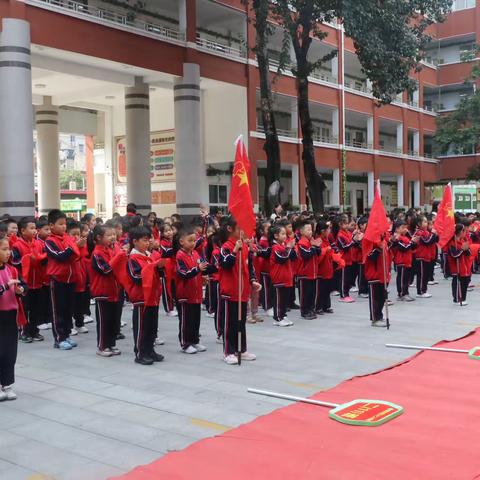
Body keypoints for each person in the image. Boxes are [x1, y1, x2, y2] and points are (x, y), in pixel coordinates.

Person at [112, 226, 163, 365]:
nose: (148, 243)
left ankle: (150, 349)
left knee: (152, 326)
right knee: (142, 327)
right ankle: (140, 352)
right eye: (144, 240)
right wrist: (152, 269)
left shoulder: (149, 256)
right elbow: (136, 277)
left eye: (149, 240)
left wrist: (160, 268)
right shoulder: (132, 259)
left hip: (152, 296)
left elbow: (157, 275)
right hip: (141, 298)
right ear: (135, 241)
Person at [218, 217, 261, 365]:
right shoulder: (226, 247)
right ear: (230, 229)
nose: (243, 232)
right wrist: (235, 251)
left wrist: (253, 281)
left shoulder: (245, 247)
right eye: (239, 228)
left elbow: (249, 268)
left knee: (241, 323)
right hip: (229, 292)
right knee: (229, 324)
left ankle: (241, 349)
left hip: (242, 292)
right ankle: (228, 352)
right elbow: (224, 264)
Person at [175, 227, 214, 354]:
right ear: (181, 241)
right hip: (185, 294)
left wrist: (213, 269)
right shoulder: (179, 256)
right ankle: (185, 344)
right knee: (186, 320)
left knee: (195, 319)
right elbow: (183, 273)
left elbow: (203, 266)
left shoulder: (195, 254)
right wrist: (198, 269)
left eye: (194, 240)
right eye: (190, 240)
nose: (193, 243)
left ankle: (194, 341)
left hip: (196, 293)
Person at [45, 209, 80, 350]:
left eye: (65, 224)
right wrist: (73, 248)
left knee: (67, 310)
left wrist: (76, 247)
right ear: (51, 225)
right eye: (60, 224)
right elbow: (59, 256)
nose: (64, 227)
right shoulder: (49, 241)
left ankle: (66, 335)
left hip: (70, 279)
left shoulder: (68, 238)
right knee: (58, 310)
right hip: (57, 279)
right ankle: (59, 339)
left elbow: (78, 256)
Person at [11, 216, 46, 343]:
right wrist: (27, 258)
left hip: (38, 282)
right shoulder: (16, 245)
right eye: (31, 228)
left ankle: (34, 330)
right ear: (22, 231)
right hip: (24, 283)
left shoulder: (39, 244)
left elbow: (44, 258)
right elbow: (14, 262)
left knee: (36, 308)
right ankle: (24, 331)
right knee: (24, 308)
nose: (34, 231)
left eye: (35, 228)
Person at [0, 237, 26, 401]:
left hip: (11, 315)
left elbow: (23, 286)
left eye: (8, 249)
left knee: (10, 351)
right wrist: (5, 287)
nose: (8, 252)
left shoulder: (12, 269)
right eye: (3, 249)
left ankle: (7, 384)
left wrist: (20, 289)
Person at [90, 224, 121, 357]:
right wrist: (118, 258)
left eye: (113, 234)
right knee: (104, 320)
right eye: (109, 235)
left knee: (114, 319)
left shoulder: (112, 250)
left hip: (114, 290)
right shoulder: (97, 253)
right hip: (102, 292)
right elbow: (106, 270)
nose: (113, 237)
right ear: (98, 237)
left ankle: (111, 344)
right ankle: (103, 346)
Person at [269, 224, 296, 327]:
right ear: (276, 236)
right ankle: (277, 318)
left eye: (285, 233)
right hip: (278, 278)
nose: (285, 236)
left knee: (283, 299)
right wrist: (289, 248)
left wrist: (291, 248)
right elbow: (282, 258)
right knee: (278, 299)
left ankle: (283, 315)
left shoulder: (283, 245)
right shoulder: (275, 247)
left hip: (285, 277)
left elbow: (293, 257)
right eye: (282, 234)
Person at [67, 220, 90, 335]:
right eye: (73, 234)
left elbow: (83, 256)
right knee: (70, 304)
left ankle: (80, 323)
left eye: (78, 234)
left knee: (80, 303)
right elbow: (73, 257)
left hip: (81, 277)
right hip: (71, 278)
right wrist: (77, 246)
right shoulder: (67, 244)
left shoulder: (82, 244)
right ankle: (69, 326)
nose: (76, 237)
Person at [296, 221, 320, 320]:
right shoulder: (302, 243)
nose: (311, 232)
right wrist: (314, 247)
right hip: (304, 273)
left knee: (312, 293)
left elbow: (317, 252)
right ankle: (304, 311)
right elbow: (306, 254)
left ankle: (311, 309)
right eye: (308, 229)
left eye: (311, 229)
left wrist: (317, 247)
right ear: (301, 231)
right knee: (304, 294)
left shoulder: (311, 241)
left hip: (313, 273)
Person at [364, 238, 391, 327]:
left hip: (383, 274)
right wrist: (378, 249)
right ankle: (375, 318)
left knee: (382, 298)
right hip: (374, 275)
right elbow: (369, 257)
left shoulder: (384, 241)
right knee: (375, 298)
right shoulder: (368, 241)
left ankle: (379, 315)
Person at [391, 220, 415, 302]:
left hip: (407, 261)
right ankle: (401, 293)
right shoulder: (397, 238)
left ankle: (406, 292)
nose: (405, 229)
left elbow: (411, 245)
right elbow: (404, 248)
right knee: (401, 278)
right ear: (397, 229)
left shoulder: (405, 237)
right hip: (401, 261)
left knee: (406, 278)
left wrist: (410, 239)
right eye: (403, 228)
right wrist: (412, 242)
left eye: (406, 227)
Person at [447, 223, 471, 306]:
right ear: (460, 232)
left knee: (465, 282)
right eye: (464, 231)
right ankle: (457, 299)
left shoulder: (463, 241)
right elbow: (454, 255)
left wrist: (467, 249)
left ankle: (463, 298)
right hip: (456, 268)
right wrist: (462, 249)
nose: (466, 233)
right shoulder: (452, 243)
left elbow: (468, 253)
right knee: (457, 283)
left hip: (464, 267)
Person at [413, 215, 435, 298]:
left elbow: (432, 240)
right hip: (421, 256)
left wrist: (435, 235)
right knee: (422, 275)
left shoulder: (426, 232)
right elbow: (427, 242)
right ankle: (421, 291)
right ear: (419, 223)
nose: (426, 223)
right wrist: (433, 234)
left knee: (425, 274)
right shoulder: (419, 233)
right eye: (424, 222)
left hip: (426, 256)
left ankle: (423, 290)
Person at [35, 218, 52, 331]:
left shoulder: (49, 241)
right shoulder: (37, 243)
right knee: (41, 300)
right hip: (40, 276)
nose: (49, 232)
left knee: (48, 299)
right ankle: (41, 320)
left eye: (49, 229)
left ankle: (48, 319)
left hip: (49, 275)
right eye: (46, 229)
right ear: (38, 230)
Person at [336, 216, 355, 303]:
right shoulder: (340, 235)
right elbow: (344, 247)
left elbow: (352, 243)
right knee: (343, 278)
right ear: (340, 225)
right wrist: (353, 241)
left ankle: (347, 293)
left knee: (348, 278)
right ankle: (343, 295)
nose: (347, 225)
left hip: (349, 259)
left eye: (347, 223)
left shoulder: (348, 233)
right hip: (343, 260)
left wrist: (356, 239)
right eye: (345, 223)